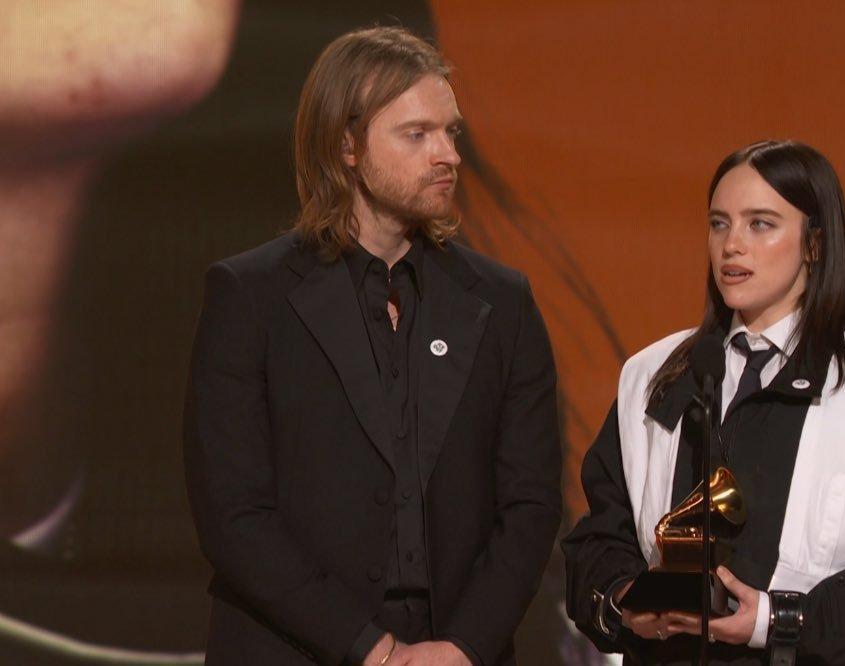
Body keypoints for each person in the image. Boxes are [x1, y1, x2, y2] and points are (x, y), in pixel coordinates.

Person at [183, 25, 561, 666]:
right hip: (294, 648)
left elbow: (531, 503)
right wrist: (373, 650)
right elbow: (234, 514)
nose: (448, 155)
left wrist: (463, 646)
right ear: (347, 146)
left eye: (451, 132)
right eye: (417, 134)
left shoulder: (502, 302)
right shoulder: (251, 297)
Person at [561, 140, 845, 665]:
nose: (732, 245)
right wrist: (625, 602)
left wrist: (776, 620)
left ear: (814, 244)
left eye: (760, 224)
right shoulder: (654, 376)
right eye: (719, 224)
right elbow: (598, 540)